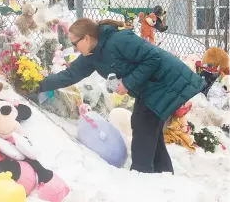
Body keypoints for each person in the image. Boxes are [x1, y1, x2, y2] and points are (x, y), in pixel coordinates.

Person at [28, 18, 206, 174]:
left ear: (87, 38)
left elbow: (153, 58)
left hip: (167, 78)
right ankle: (161, 174)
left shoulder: (119, 40)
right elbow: (70, 75)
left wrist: (127, 83)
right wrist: (38, 85)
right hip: (153, 84)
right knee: (147, 126)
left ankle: (142, 174)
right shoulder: (91, 55)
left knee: (143, 123)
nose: (73, 47)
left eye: (75, 43)